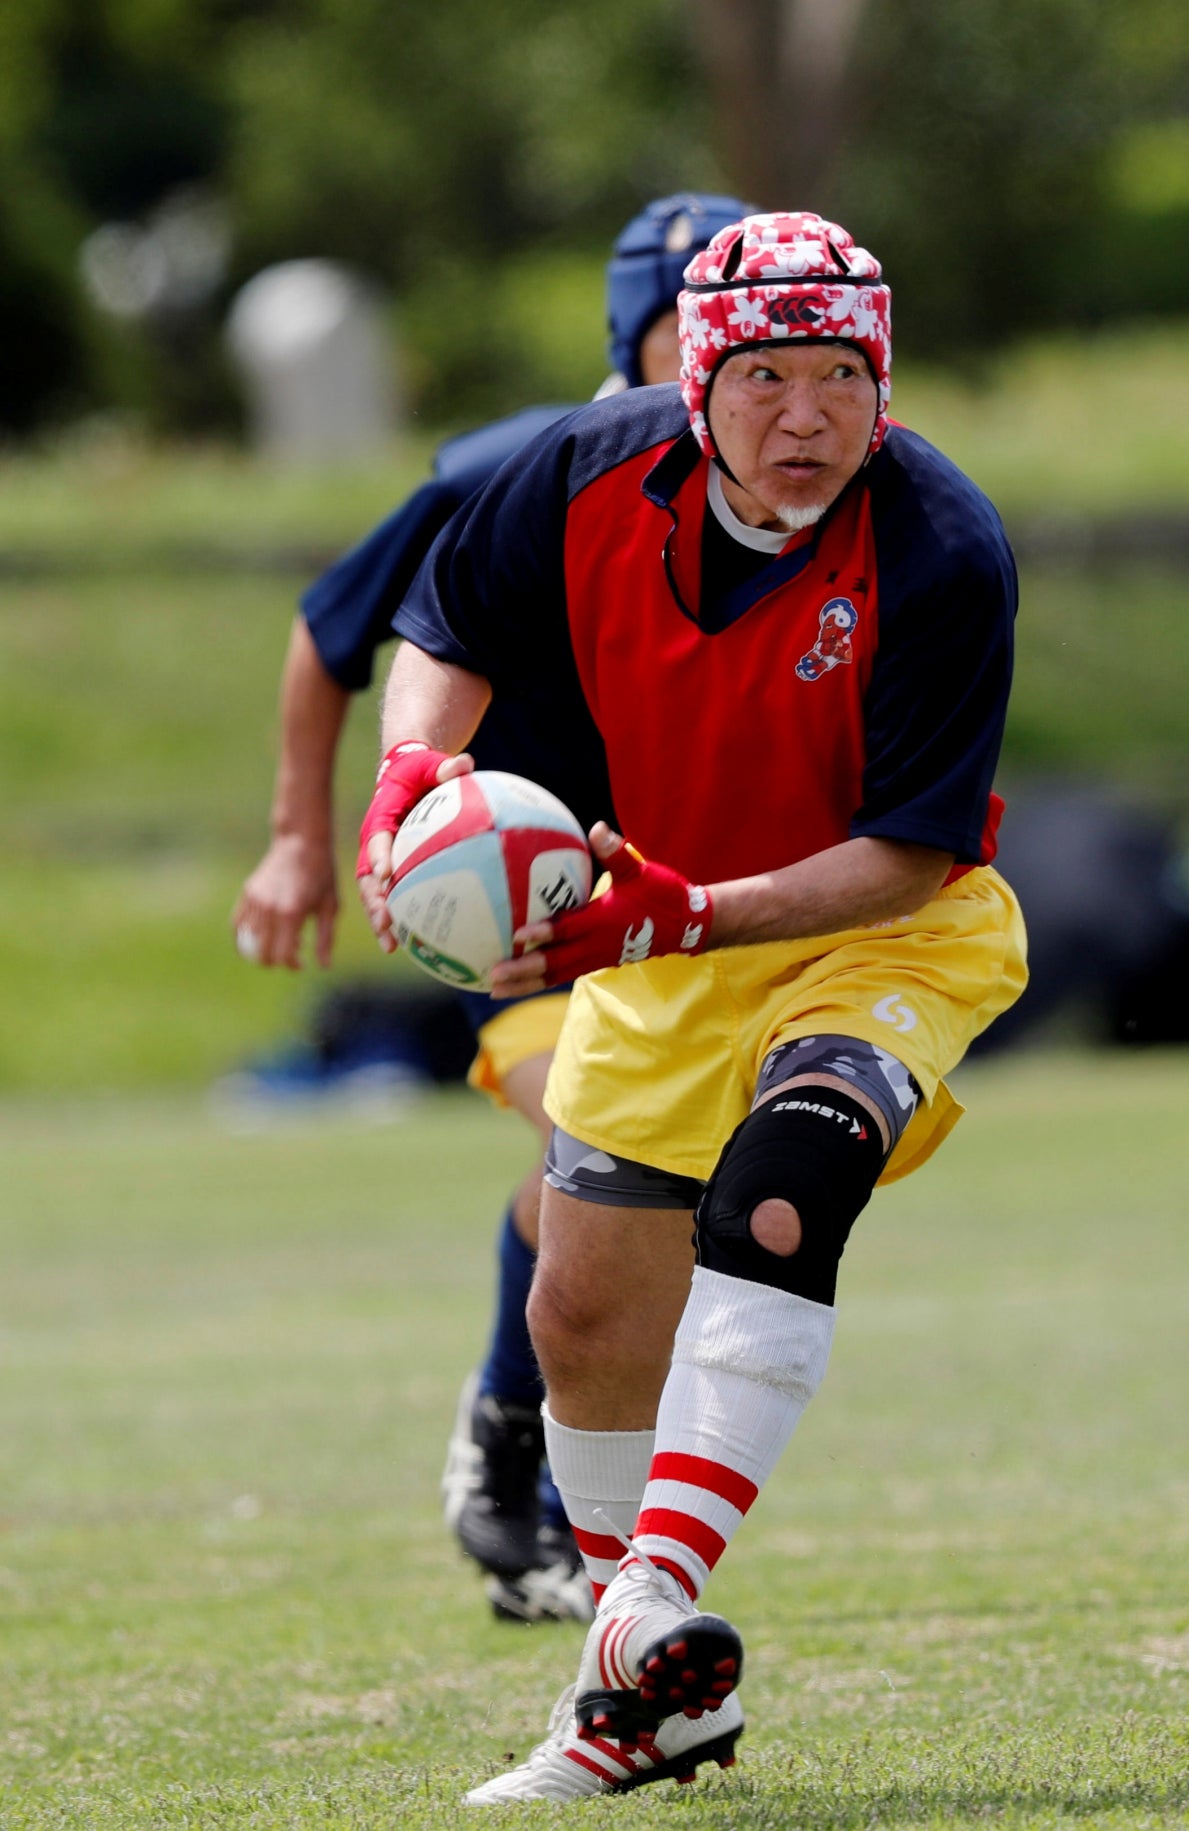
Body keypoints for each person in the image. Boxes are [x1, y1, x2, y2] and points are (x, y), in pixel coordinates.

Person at [356, 211, 1026, 1800]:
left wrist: (687, 908)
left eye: (842, 380)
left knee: (786, 1193)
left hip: (883, 936)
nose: (809, 419)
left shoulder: (943, 544)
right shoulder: (582, 469)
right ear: (696, 375)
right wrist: (405, 781)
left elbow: (909, 851)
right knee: (578, 1324)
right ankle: (646, 1700)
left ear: (885, 383)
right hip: (663, 954)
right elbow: (440, 633)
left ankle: (641, 1610)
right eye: (770, 379)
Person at [230, 191, 754, 1623]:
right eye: (704, 318)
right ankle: (515, 1458)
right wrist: (296, 840)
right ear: (636, 325)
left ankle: (530, 1439)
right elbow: (332, 630)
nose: (742, 349)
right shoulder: (523, 470)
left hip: (676, 904)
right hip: (508, 895)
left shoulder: (787, 501)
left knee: (660, 1182)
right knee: (604, 1152)